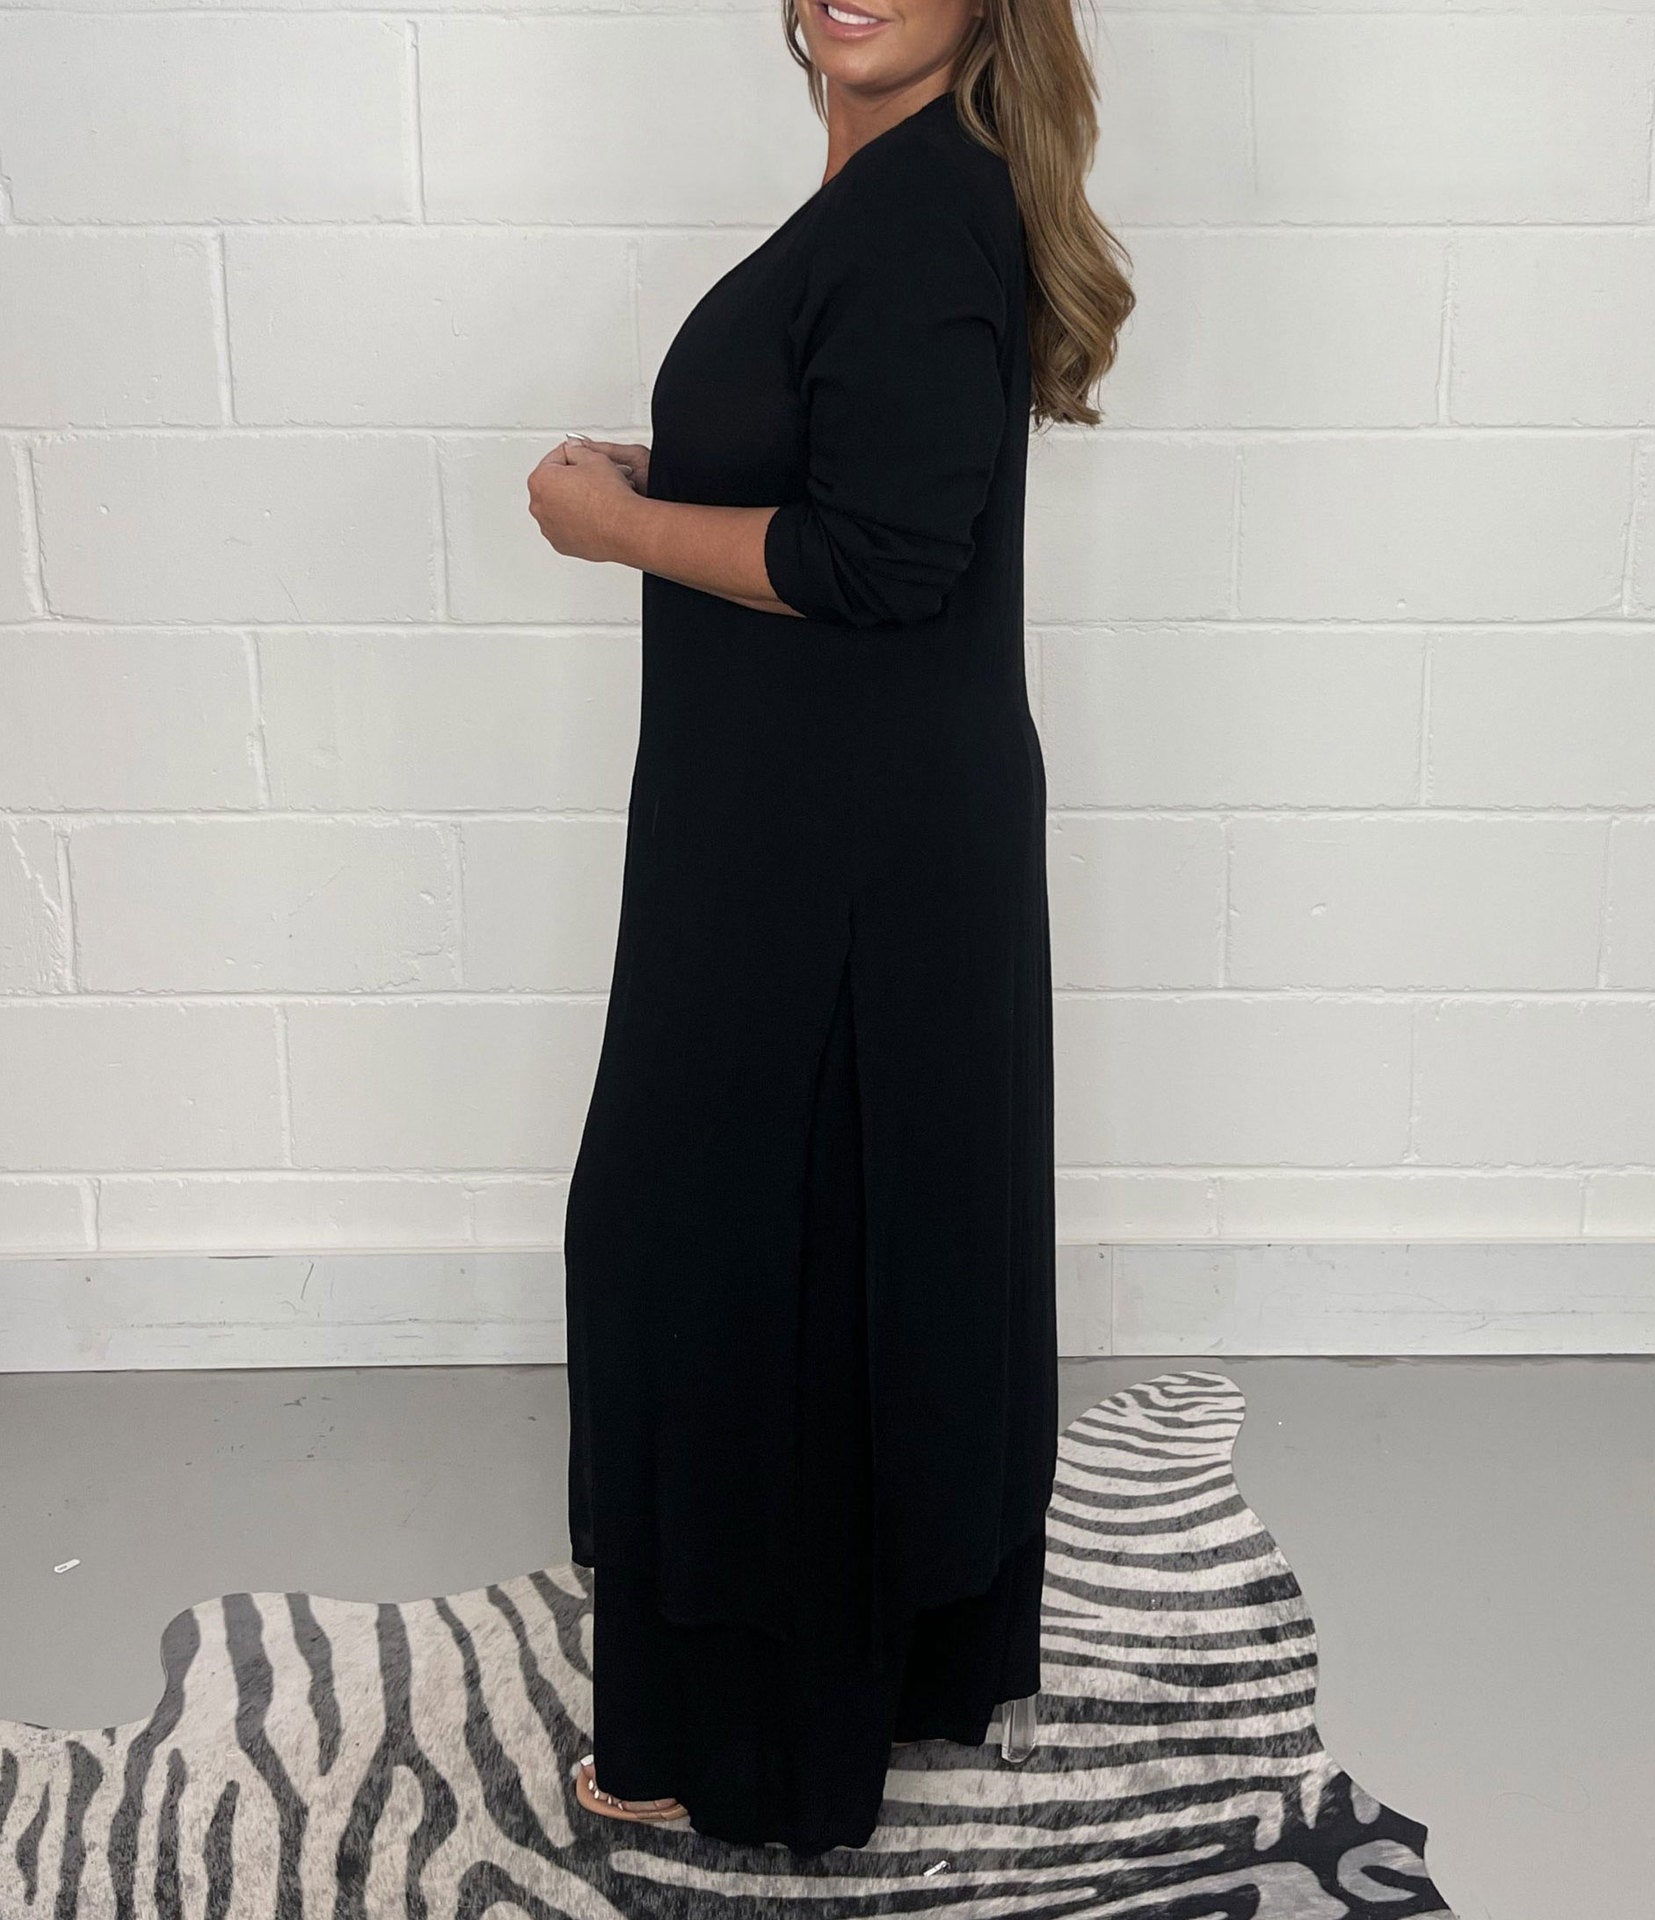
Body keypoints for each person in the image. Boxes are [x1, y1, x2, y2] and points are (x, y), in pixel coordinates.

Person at [525, 0, 1134, 1857]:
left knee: (721, 1251)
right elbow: (851, 469)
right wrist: (671, 473)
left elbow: (882, 557)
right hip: (820, 830)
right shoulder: (903, 199)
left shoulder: (925, 214)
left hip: (837, 855)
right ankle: (864, 1686)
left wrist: (607, 526)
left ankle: (737, 1746)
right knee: (807, 1251)